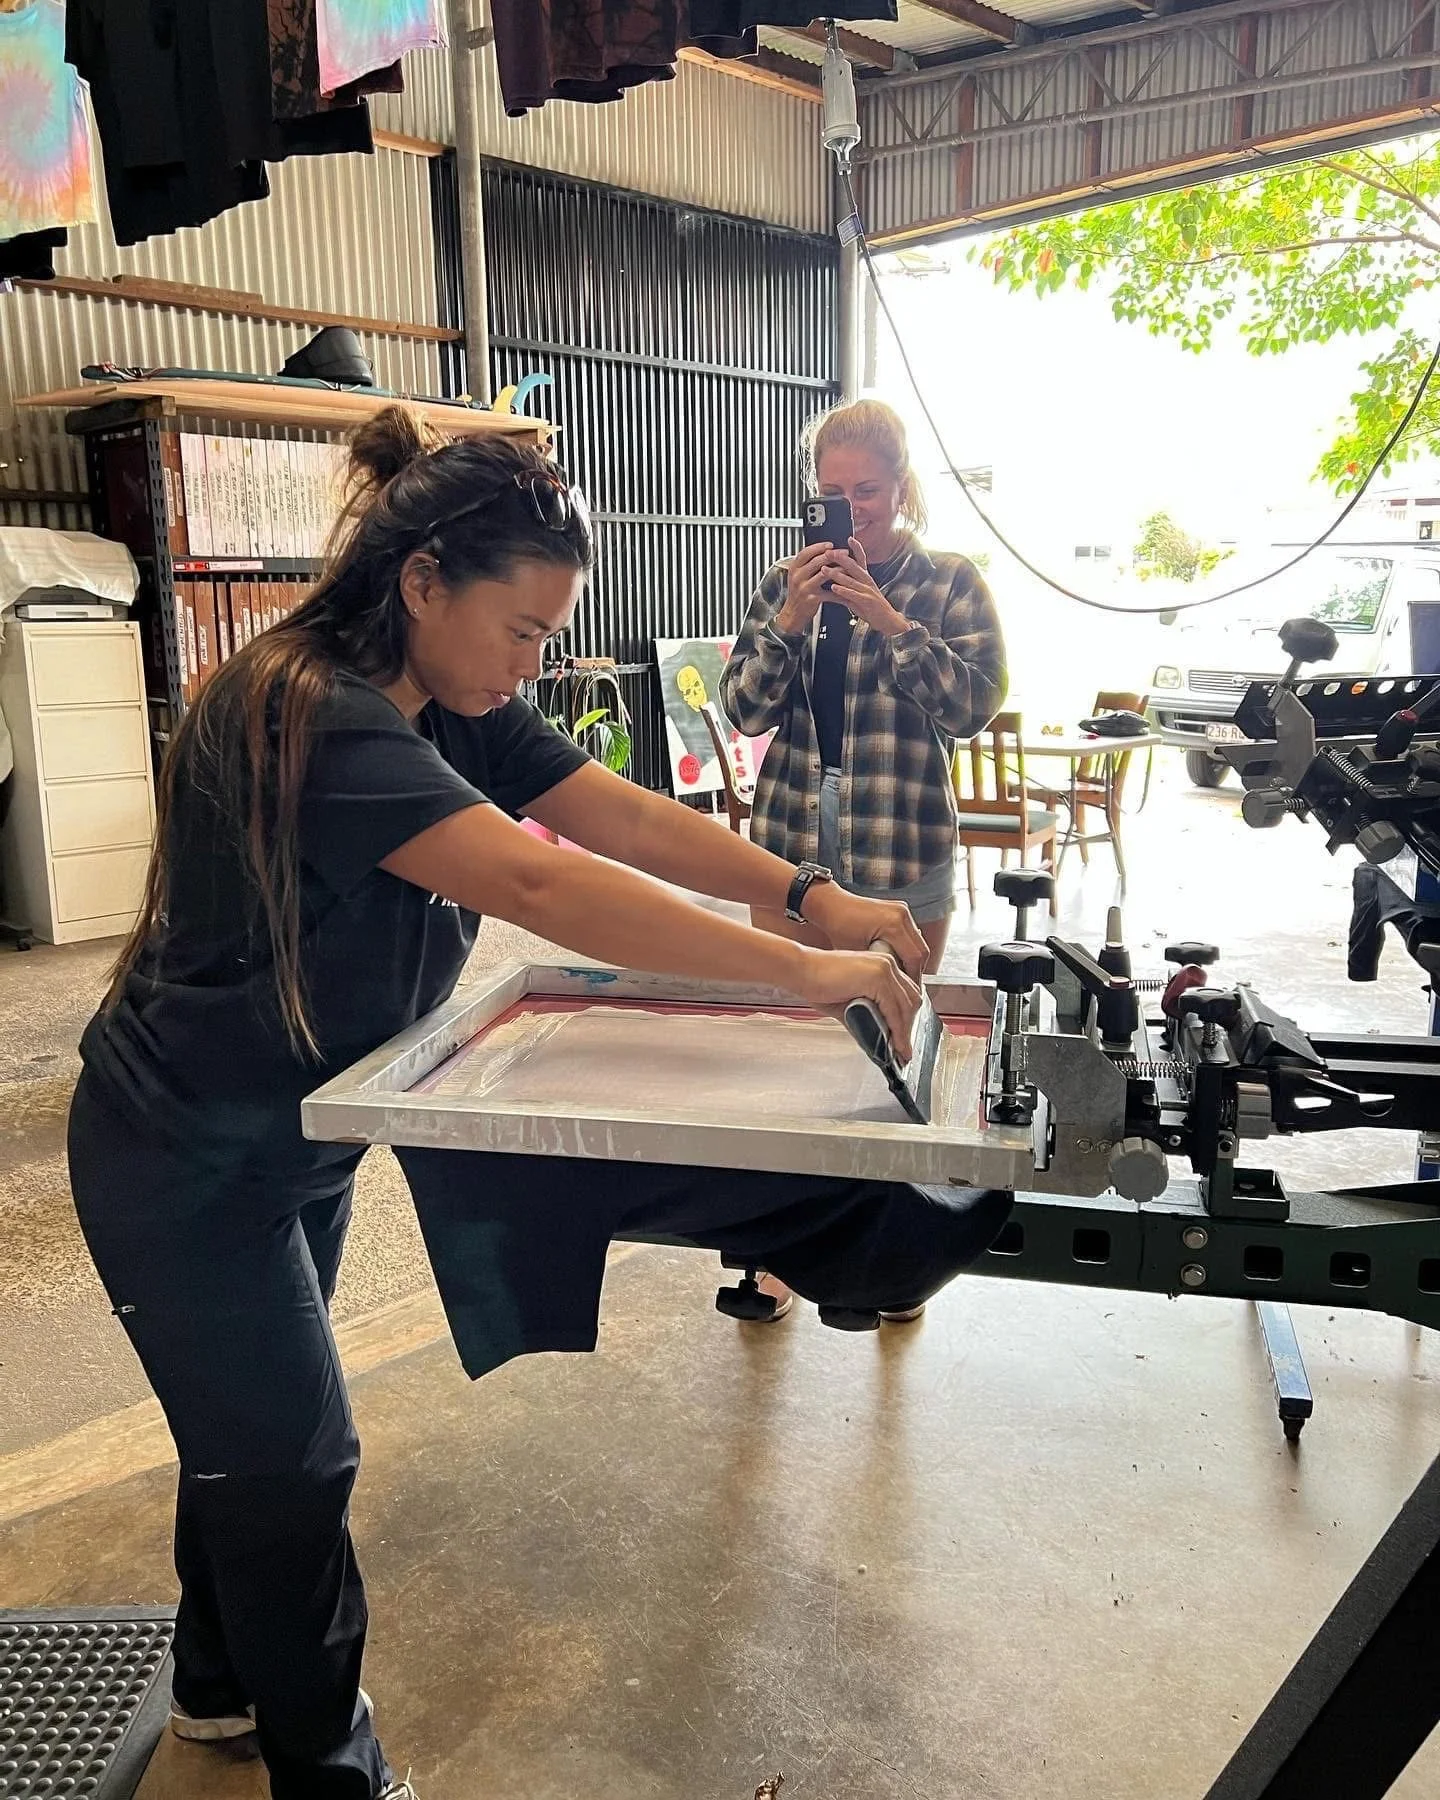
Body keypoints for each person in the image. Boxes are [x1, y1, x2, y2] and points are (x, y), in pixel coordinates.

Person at [67, 407, 1012, 1800]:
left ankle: (216, 1685)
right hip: (181, 1155)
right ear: (422, 585)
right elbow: (541, 883)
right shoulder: (310, 709)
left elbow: (616, 816)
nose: (535, 664)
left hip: (299, 1141)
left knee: (250, 1434)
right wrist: (809, 973)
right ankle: (330, 1770)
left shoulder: (440, 695)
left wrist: (816, 894)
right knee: (295, 1452)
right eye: (522, 632)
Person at [719, 398, 1007, 1324]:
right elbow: (744, 711)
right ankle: (774, 1254)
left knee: (894, 1041)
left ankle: (891, 1258)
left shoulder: (950, 581)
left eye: (868, 491)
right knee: (785, 1039)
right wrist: (792, 622)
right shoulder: (784, 585)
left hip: (905, 834)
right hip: (793, 837)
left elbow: (973, 708)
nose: (853, 510)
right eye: (833, 493)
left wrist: (891, 622)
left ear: (902, 486)